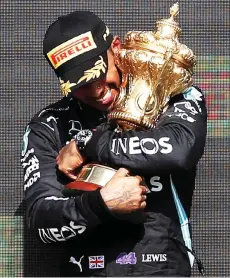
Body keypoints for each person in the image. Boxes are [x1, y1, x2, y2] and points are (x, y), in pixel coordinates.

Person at [21, 10, 207, 277]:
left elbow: (180, 149)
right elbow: (42, 223)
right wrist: (100, 204)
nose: (97, 90)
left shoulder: (171, 93)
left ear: (116, 49)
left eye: (99, 73)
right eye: (81, 84)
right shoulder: (48, 125)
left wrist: (88, 143)